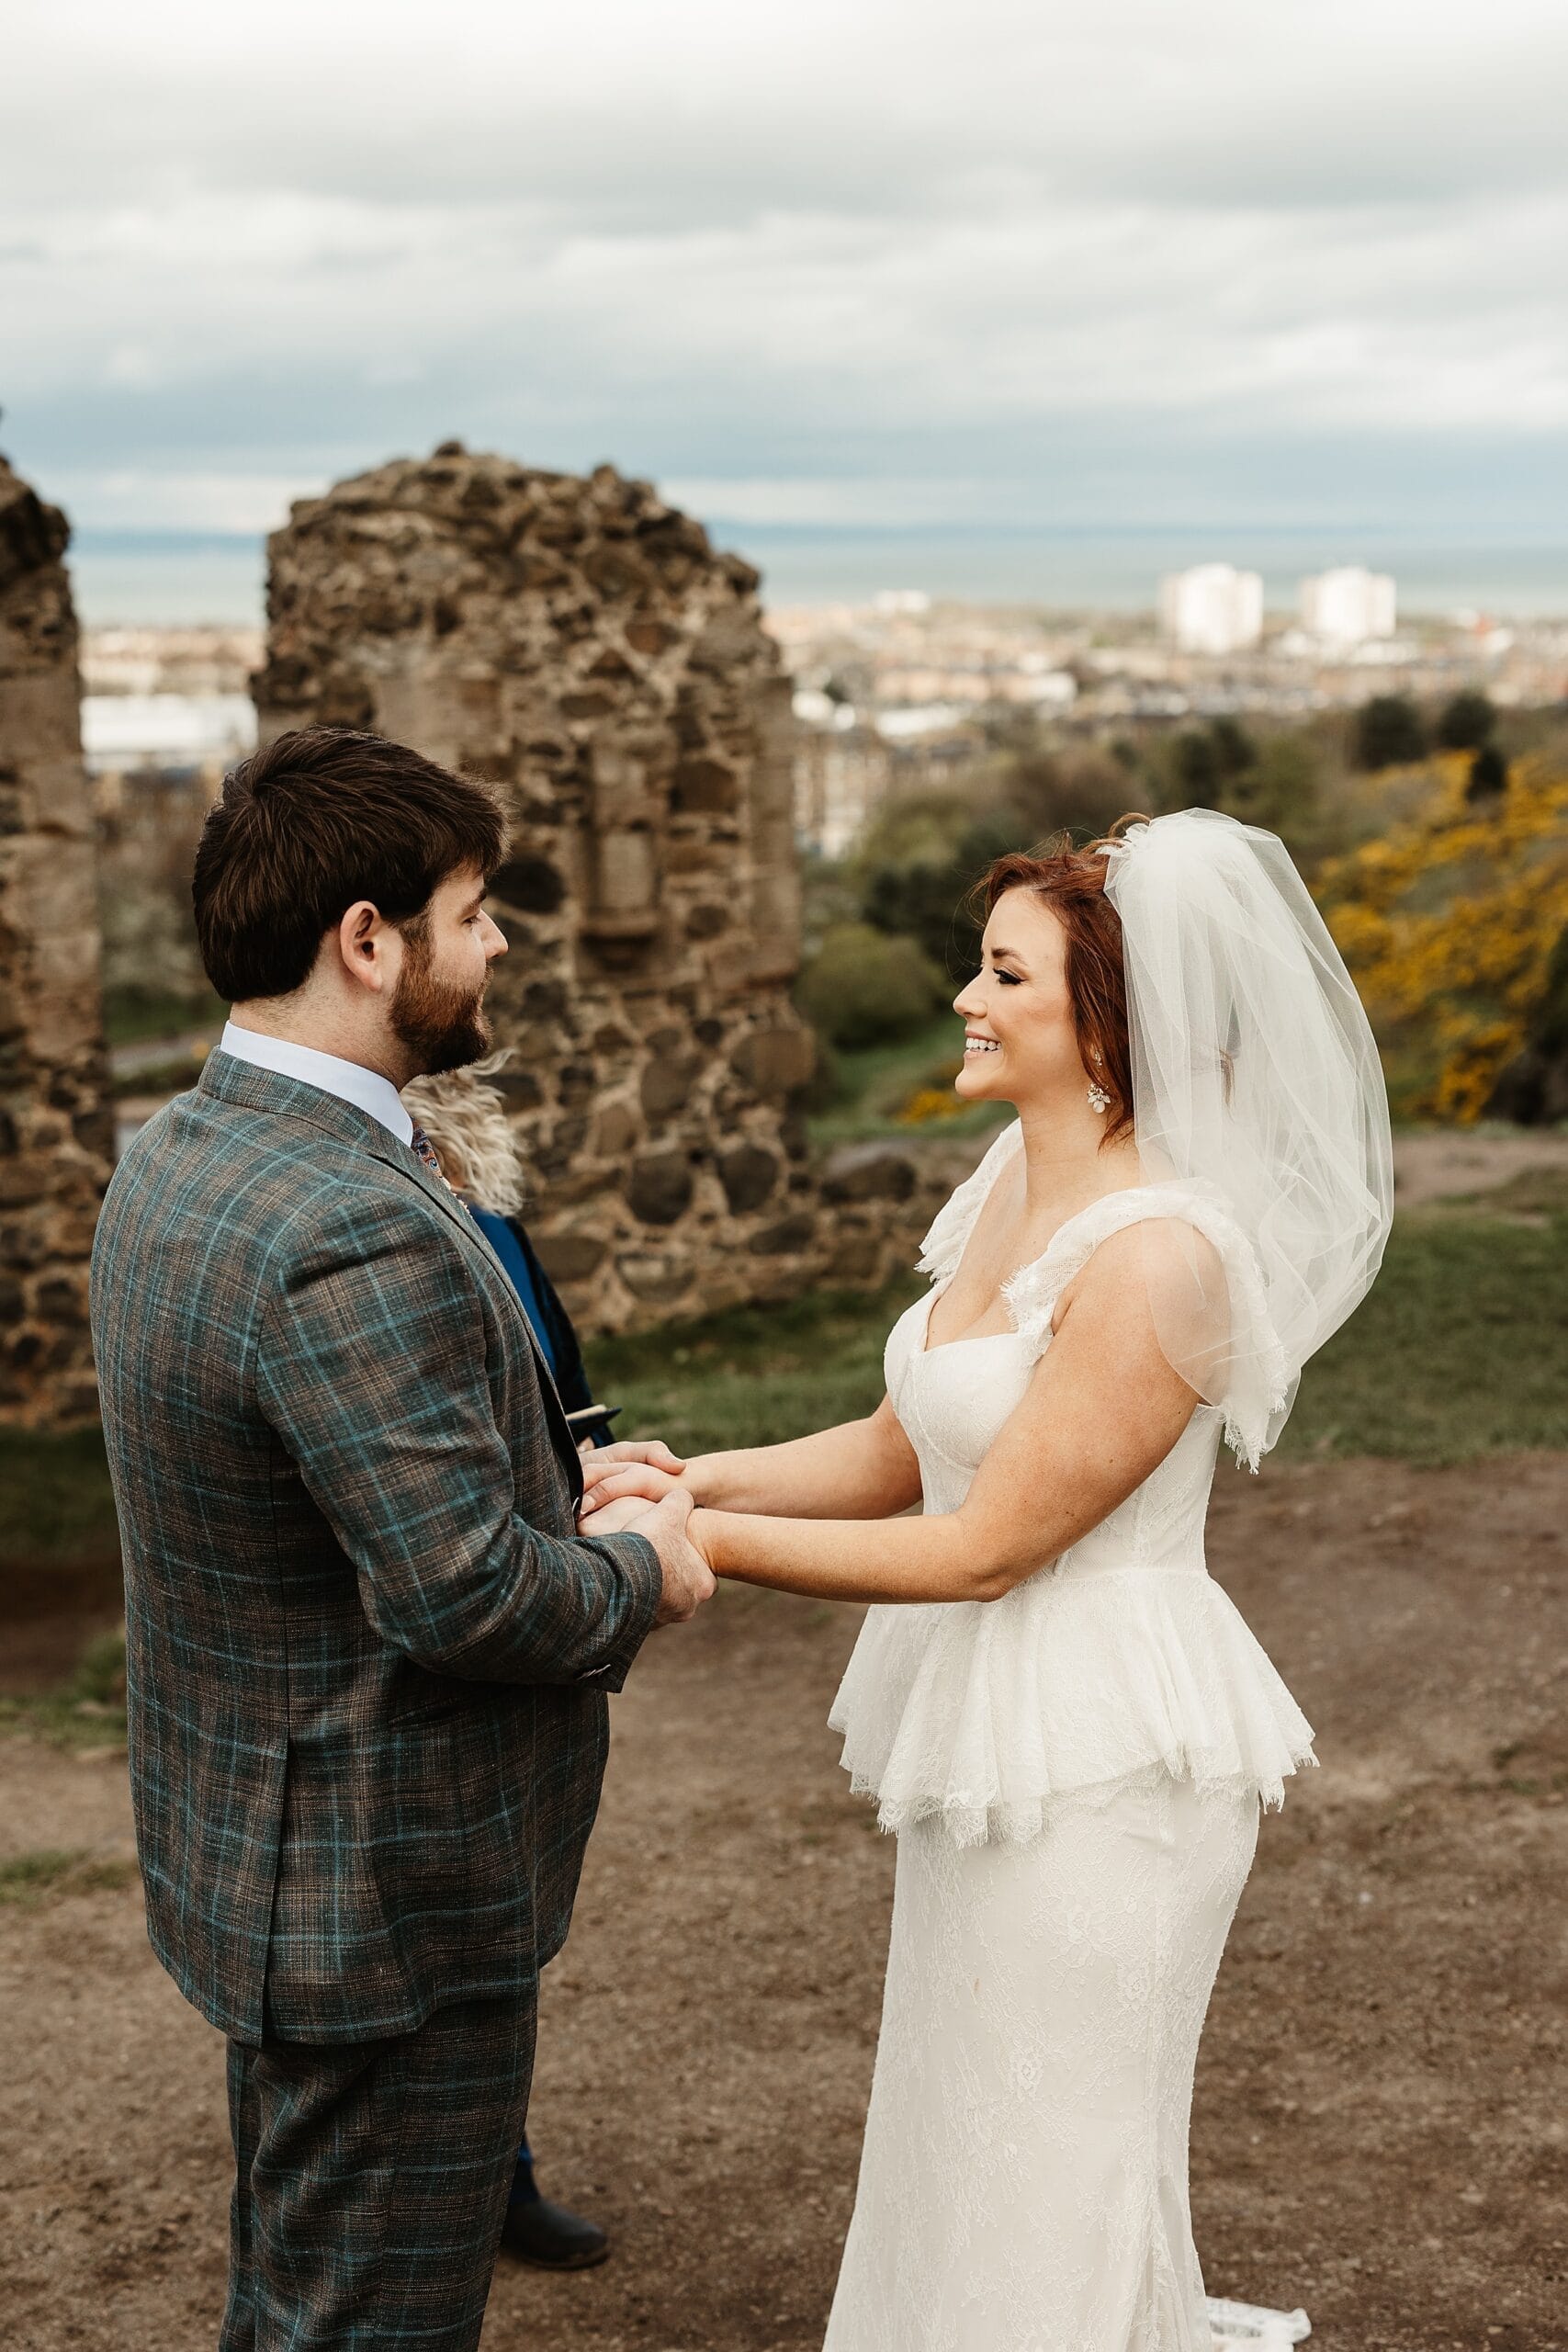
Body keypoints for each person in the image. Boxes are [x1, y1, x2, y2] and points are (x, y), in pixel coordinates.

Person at [581, 809, 1393, 2350]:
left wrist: (696, 1552)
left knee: (1054, 2159)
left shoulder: (1160, 1257)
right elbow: (909, 1446)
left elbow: (989, 1545)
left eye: (1001, 971)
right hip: (1003, 1737)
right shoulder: (1009, 1185)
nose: (966, 994)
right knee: (965, 2129)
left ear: (1106, 1022)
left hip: (1105, 1759)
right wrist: (697, 1476)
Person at [89, 726, 715, 2352]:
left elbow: (327, 1495)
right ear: (368, 941)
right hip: (384, 1898)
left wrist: (556, 1481)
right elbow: (464, 1599)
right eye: (474, 910)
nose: (497, 942)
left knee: (299, 2299)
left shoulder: (180, 1154)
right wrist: (646, 1567)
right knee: (369, 2325)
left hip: (261, 1848)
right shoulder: (348, 1219)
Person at [403, 1057, 632, 2271]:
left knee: (513, 1879)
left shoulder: (483, 1193)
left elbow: (557, 1363)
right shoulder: (359, 1206)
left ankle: (500, 2166)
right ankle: (458, 2172)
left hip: (538, 1560)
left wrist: (600, 1472)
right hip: (439, 1565)